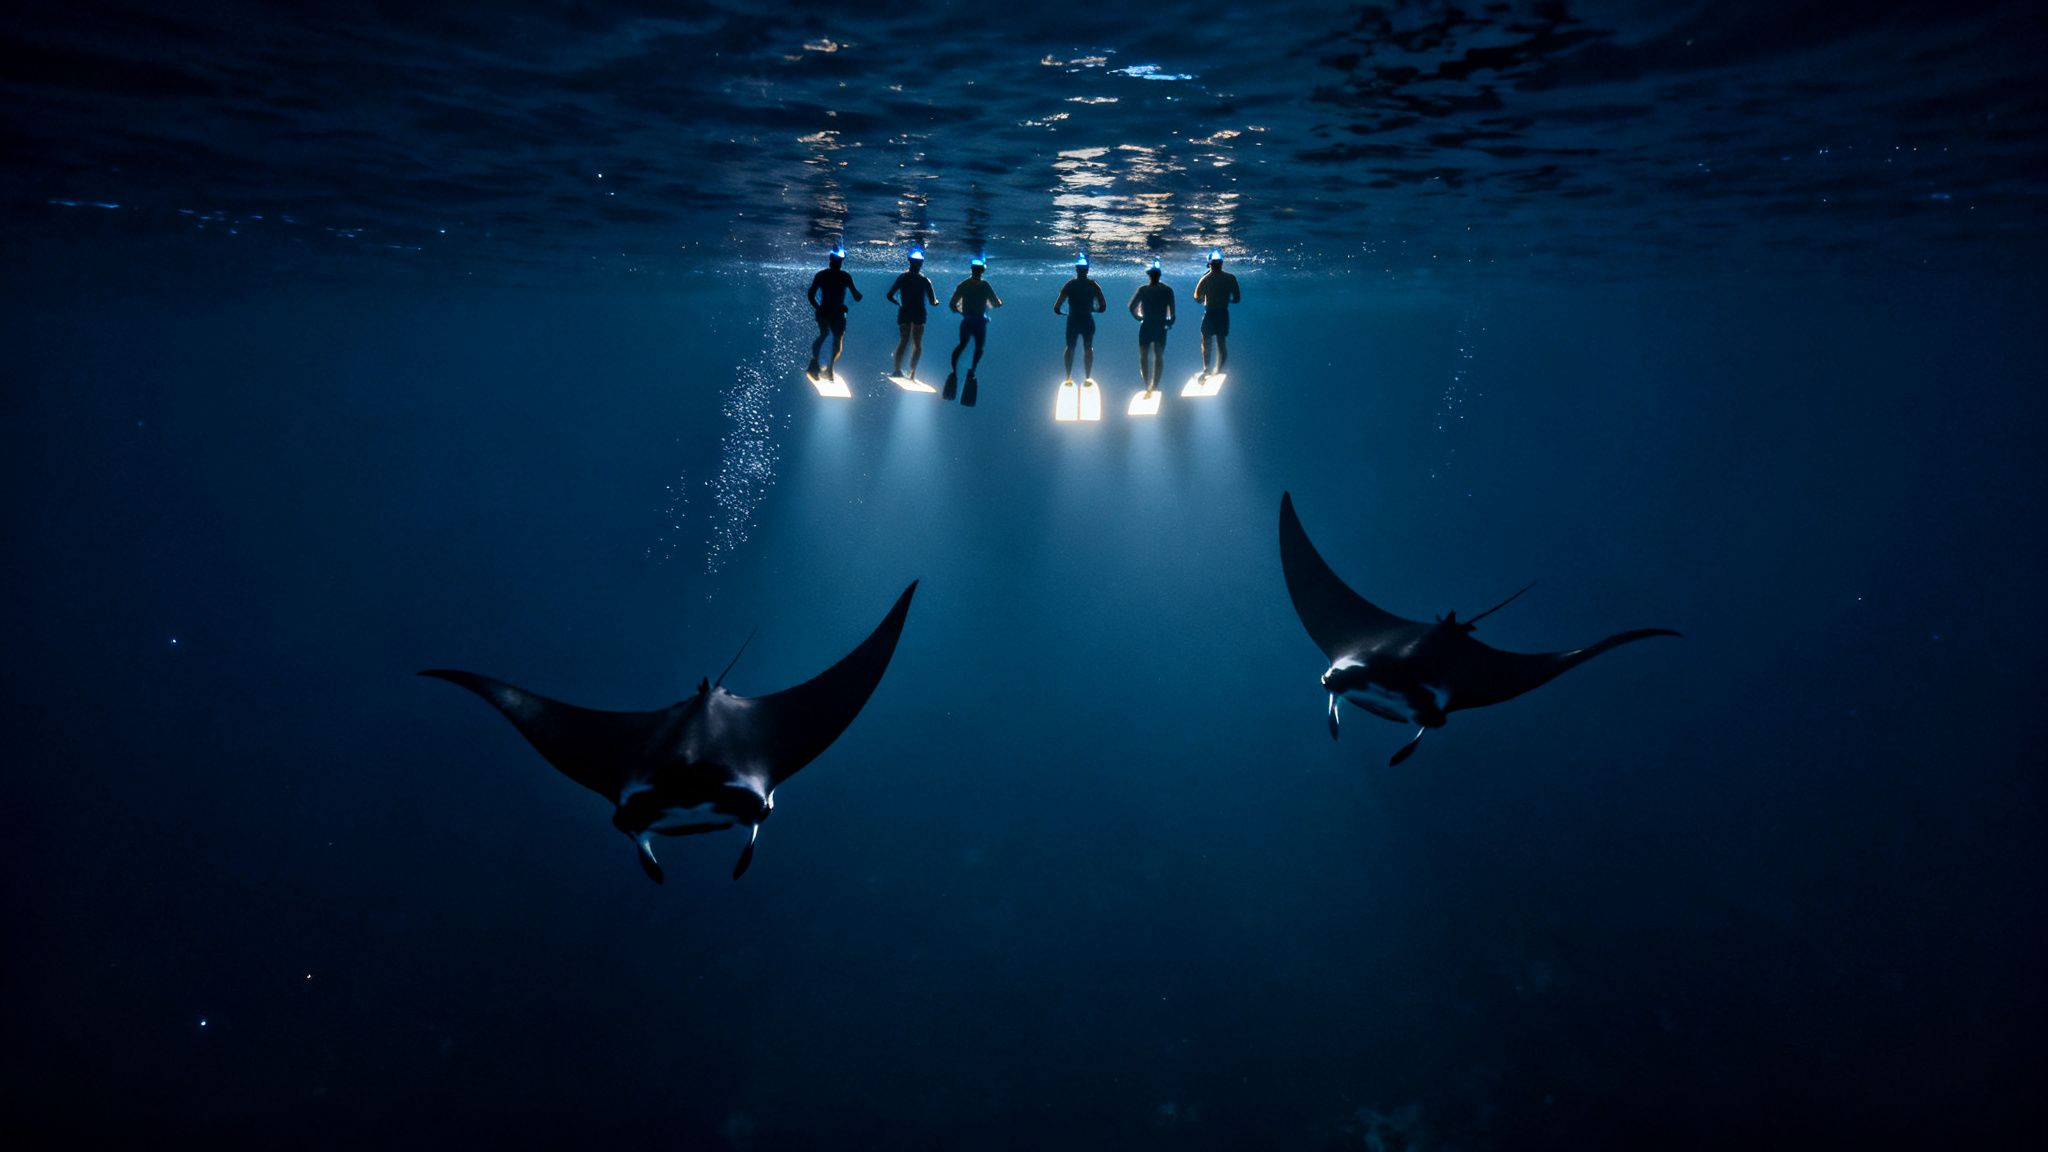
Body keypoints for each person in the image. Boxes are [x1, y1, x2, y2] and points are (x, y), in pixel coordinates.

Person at [944, 257, 1002, 401]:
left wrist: (963, 312)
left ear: (972, 269)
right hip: (979, 322)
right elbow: (996, 303)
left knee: (962, 344)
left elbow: (952, 305)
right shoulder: (985, 285)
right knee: (979, 348)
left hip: (967, 320)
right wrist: (995, 304)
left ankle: (954, 371)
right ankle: (972, 371)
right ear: (982, 270)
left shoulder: (963, 284)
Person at [806, 247, 861, 381]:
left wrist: (818, 308)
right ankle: (823, 367)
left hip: (829, 312)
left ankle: (821, 366)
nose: (838, 263)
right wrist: (818, 308)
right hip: (833, 312)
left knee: (827, 336)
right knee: (833, 338)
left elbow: (811, 295)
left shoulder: (824, 275)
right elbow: (857, 297)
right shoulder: (843, 276)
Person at [1053, 255, 1108, 384]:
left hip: (1072, 320)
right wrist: (1093, 309)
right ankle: (1087, 377)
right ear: (1087, 270)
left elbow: (1056, 307)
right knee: (1088, 348)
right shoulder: (1093, 285)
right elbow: (1103, 307)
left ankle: (1068, 377)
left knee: (1070, 347)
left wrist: (1064, 313)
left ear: (1076, 269)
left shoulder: (1069, 285)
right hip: (1087, 320)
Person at [886, 248, 939, 380]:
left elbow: (889, 295)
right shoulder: (925, 280)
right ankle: (912, 373)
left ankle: (897, 370)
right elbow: (933, 302)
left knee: (904, 340)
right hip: (919, 313)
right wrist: (937, 302)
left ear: (909, 261)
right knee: (917, 343)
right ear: (921, 263)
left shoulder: (903, 278)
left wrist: (899, 303)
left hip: (905, 311)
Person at [1193, 250, 1241, 380]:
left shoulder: (1205, 279)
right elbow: (1237, 298)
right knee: (1221, 343)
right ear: (1221, 263)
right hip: (1222, 313)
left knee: (1206, 342)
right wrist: (1226, 300)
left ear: (1209, 264)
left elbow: (1196, 297)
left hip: (1210, 313)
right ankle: (1217, 369)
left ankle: (1207, 369)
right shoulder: (1230, 278)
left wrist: (1204, 299)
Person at [1128, 262, 1175, 396]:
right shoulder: (1167, 290)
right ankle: (1154, 385)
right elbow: (1172, 313)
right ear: (1159, 275)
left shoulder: (1143, 290)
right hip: (1160, 325)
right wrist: (1169, 322)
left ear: (1149, 276)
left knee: (1144, 356)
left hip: (1147, 324)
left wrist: (1138, 317)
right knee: (1158, 355)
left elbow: (1131, 307)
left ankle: (1147, 385)